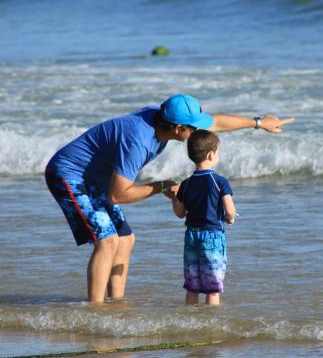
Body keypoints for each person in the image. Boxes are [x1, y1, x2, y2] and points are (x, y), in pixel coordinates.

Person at [45, 93, 293, 303]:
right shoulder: (138, 141)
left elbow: (216, 122)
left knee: (126, 239)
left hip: (95, 177)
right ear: (178, 129)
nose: (198, 131)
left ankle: (116, 304)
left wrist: (258, 123)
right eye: (193, 128)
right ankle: (96, 311)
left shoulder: (161, 118)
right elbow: (118, 195)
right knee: (107, 241)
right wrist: (162, 186)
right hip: (68, 175)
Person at [170, 130, 236, 306]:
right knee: (212, 287)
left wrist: (174, 198)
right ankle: (210, 325)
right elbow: (230, 210)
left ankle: (190, 320)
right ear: (211, 154)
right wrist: (231, 218)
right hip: (212, 237)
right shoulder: (219, 181)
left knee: (192, 285)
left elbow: (179, 213)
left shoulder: (187, 183)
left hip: (192, 236)